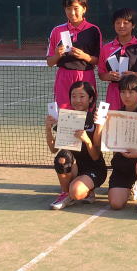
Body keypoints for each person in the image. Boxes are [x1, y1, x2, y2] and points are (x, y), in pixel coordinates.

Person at [96, 74, 137, 212]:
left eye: (131, 92)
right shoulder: (113, 116)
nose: (126, 96)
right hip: (122, 165)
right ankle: (130, 188)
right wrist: (100, 123)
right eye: (123, 92)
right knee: (116, 204)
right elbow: (100, 143)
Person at [45, 81, 107, 210]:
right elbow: (53, 149)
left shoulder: (96, 119)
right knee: (62, 157)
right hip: (73, 166)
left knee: (77, 192)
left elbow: (96, 156)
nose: (77, 100)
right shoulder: (67, 118)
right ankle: (65, 193)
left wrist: (86, 140)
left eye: (82, 96)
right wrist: (48, 128)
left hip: (94, 168)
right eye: (73, 96)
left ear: (90, 99)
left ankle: (85, 189)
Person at [47, 0, 102, 109]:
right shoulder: (57, 31)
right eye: (68, 8)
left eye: (76, 8)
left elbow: (98, 60)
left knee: (87, 116)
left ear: (84, 9)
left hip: (85, 76)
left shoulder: (94, 30)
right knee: (64, 116)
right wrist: (57, 55)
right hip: (63, 76)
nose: (72, 13)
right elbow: (50, 62)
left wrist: (84, 56)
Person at [98, 8, 137, 110]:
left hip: (135, 91)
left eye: (125, 23)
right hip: (114, 93)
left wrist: (134, 75)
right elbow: (101, 75)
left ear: (133, 25)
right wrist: (109, 76)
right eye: (118, 23)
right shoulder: (106, 48)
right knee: (114, 123)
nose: (121, 26)